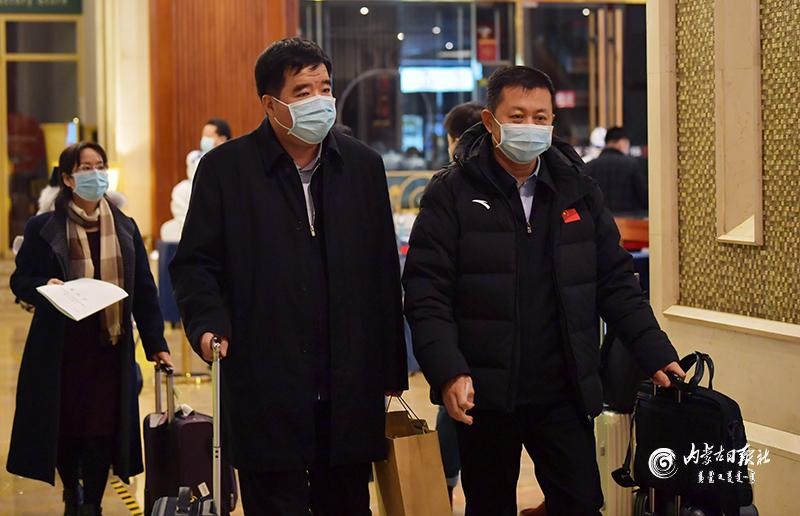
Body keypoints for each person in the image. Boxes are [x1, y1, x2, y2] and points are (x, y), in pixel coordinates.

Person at [402, 66, 684, 516]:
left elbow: (615, 281)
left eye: (540, 117)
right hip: (485, 393)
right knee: (490, 506)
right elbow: (426, 293)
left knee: (580, 503)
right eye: (517, 116)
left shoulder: (577, 189)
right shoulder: (451, 193)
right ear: (491, 121)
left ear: (553, 122)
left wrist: (655, 352)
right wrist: (449, 371)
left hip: (563, 389)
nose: (530, 127)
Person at [169, 37, 407, 515]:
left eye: (325, 88)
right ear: (270, 104)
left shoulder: (362, 166)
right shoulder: (226, 171)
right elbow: (196, 263)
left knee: (347, 504)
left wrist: (390, 368)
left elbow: (383, 271)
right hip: (265, 379)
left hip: (348, 383)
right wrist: (208, 325)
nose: (319, 100)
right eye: (302, 91)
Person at [7, 142, 173, 516]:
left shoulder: (124, 226)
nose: (95, 174)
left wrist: (156, 345)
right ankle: (72, 490)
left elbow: (144, 292)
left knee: (103, 427)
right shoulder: (43, 227)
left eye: (100, 165)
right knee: (65, 425)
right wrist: (44, 285)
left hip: (108, 347)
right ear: (68, 179)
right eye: (86, 168)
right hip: (61, 350)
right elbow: (20, 280)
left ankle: (92, 503)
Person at [160, 118, 232, 241]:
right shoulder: (195, 157)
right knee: (180, 191)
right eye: (204, 135)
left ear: (222, 139)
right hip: (196, 190)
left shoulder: (231, 160)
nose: (204, 139)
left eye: (209, 136)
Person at [583, 126, 648, 214]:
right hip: (629, 220)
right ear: (621, 143)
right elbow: (644, 198)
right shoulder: (632, 165)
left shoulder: (589, 166)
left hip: (599, 220)